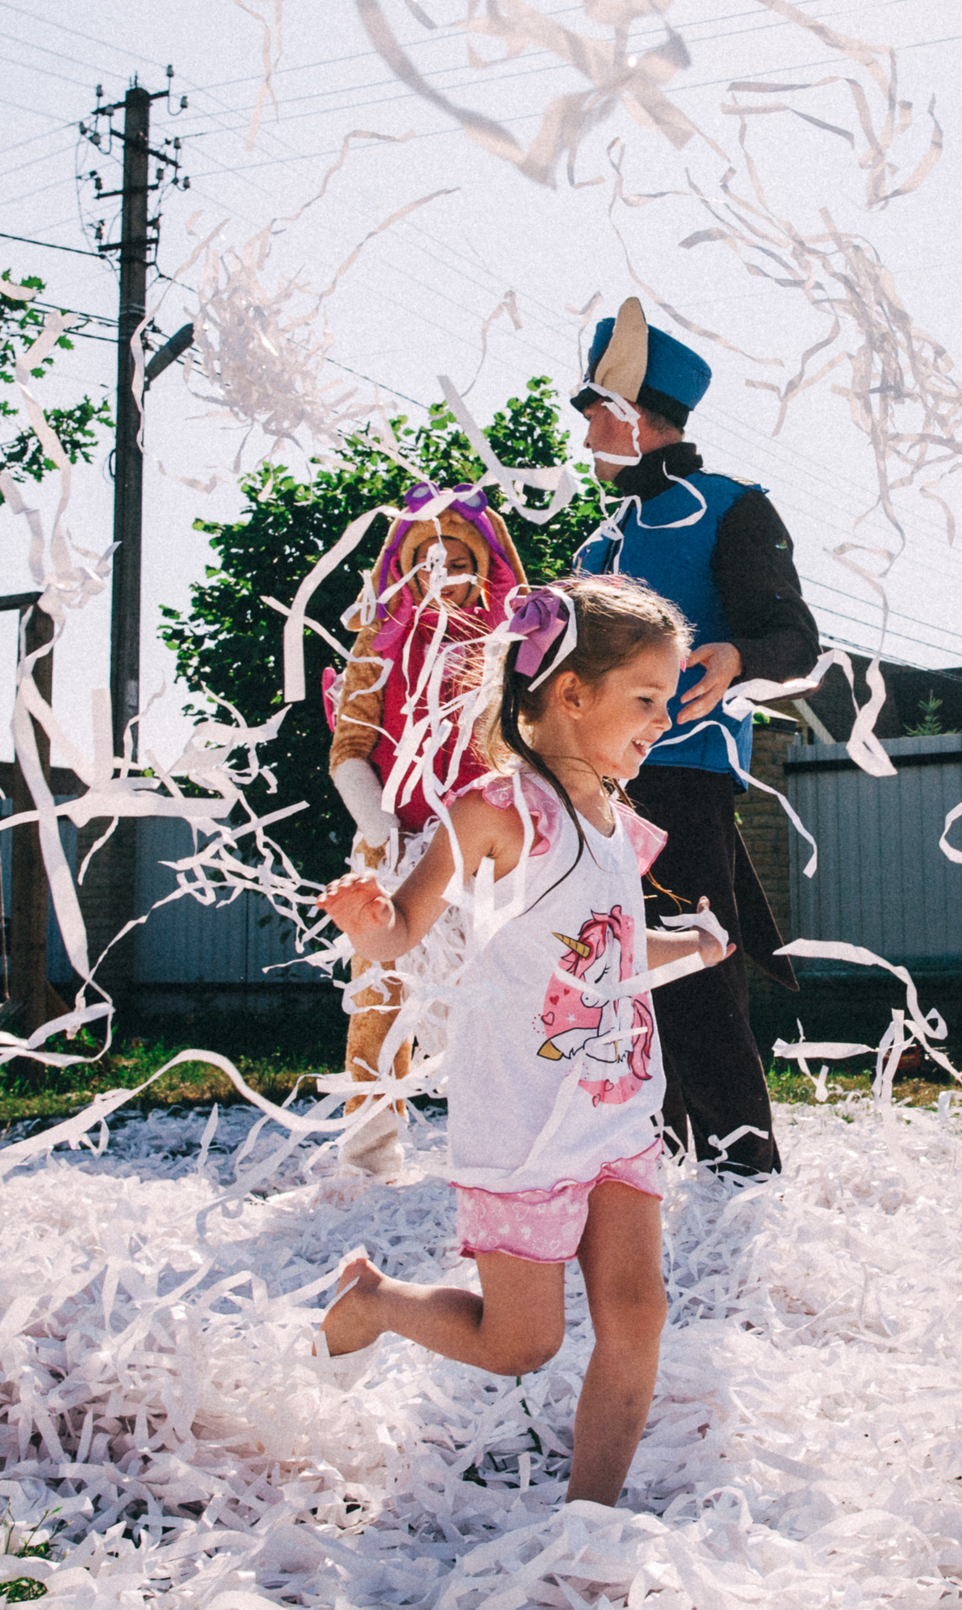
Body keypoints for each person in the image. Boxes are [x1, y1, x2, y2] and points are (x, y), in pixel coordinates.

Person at [316, 574, 729, 1510]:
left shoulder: (619, 824)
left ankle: (590, 1526)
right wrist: (366, 919)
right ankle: (376, 1300)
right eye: (647, 698)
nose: (663, 719)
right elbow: (401, 932)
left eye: (667, 700)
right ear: (571, 693)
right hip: (523, 1127)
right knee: (521, 1344)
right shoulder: (496, 814)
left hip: (620, 1112)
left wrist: (694, 945)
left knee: (638, 1318)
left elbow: (613, 951)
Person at [567, 298, 821, 1175]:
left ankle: (740, 1171)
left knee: (699, 980)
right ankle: (650, 1162)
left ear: (634, 415)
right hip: (590, 796)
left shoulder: (733, 506)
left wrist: (739, 655)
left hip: (682, 774)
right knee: (610, 980)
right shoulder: (597, 542)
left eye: (594, 407)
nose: (587, 427)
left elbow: (797, 641)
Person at [321, 485, 529, 1178]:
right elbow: (349, 745)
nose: (440, 571)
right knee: (379, 994)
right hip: (392, 844)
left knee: (497, 998)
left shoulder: (514, 649)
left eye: (457, 557)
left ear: (486, 565)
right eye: (424, 557)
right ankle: (368, 1154)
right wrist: (379, 830)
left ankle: (497, 1151)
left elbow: (528, 743)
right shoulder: (375, 645)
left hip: (488, 855)